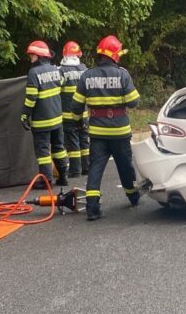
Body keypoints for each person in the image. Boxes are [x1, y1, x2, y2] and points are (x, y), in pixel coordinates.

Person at [70, 35, 140, 221]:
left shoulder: (87, 75)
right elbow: (134, 101)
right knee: (125, 166)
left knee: (96, 167)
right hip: (120, 132)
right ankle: (133, 196)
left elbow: (76, 105)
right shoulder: (122, 75)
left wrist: (77, 121)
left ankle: (92, 208)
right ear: (115, 55)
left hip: (97, 133)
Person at [21, 41, 69, 186]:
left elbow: (31, 97)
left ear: (39, 56)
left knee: (43, 151)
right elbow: (62, 83)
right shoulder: (56, 69)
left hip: (41, 120)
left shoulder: (33, 72)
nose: (31, 58)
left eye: (32, 55)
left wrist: (25, 115)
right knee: (58, 148)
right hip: (57, 118)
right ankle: (63, 176)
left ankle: (46, 180)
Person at [59, 41, 89, 178]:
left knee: (72, 141)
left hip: (68, 114)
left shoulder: (61, 71)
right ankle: (86, 167)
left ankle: (75, 170)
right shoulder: (84, 69)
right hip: (84, 113)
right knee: (84, 139)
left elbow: (57, 89)